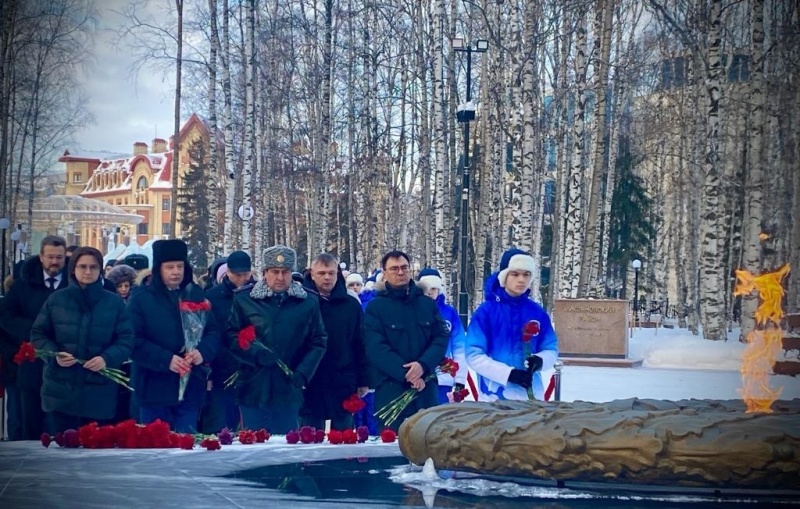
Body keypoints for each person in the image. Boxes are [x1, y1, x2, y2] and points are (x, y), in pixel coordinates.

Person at [30, 247, 135, 433]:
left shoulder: (113, 303)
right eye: (82, 267)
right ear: (73, 269)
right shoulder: (57, 300)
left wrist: (106, 358)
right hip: (60, 391)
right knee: (60, 452)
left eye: (93, 267)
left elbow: (126, 339)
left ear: (100, 270)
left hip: (99, 393)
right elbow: (38, 334)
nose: (88, 272)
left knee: (95, 455)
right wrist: (54, 356)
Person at [227, 245, 327, 434]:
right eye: (275, 272)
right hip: (254, 386)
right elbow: (232, 336)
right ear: (265, 273)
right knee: (253, 446)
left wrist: (303, 373)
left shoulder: (307, 302)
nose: (280, 278)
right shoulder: (244, 300)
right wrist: (256, 354)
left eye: (285, 272)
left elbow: (318, 341)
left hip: (288, 387)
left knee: (285, 446)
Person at [126, 239, 221, 432]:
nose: (176, 272)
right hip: (153, 388)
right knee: (155, 448)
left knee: (186, 446)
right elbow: (132, 340)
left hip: (190, 387)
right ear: (158, 269)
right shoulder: (141, 299)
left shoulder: (195, 294)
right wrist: (167, 360)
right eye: (170, 267)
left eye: (180, 266)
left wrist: (201, 352)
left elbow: (213, 331)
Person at [363, 250, 449, 431]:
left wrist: (423, 365)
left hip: (425, 388)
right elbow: (375, 347)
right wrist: (407, 374)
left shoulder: (426, 304)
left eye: (404, 267)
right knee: (391, 451)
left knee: (429, 445)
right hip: (391, 391)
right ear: (384, 273)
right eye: (394, 269)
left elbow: (440, 337)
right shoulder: (376, 307)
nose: (400, 272)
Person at [465, 248, 559, 401]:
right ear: (504, 276)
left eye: (526, 274)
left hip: (531, 395)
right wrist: (508, 374)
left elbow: (551, 349)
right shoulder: (486, 312)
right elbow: (473, 354)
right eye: (515, 274)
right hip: (494, 396)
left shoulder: (537, 313)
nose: (521, 280)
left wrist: (540, 360)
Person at [0, 235, 69, 440]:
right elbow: (5, 316)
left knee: (60, 425)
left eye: (59, 257)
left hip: (64, 365)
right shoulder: (24, 285)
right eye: (50, 257)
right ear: (41, 256)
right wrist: (33, 336)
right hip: (30, 365)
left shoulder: (72, 283)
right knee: (28, 424)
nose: (54, 262)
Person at [301, 253, 370, 431]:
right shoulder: (301, 302)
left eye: (331, 273)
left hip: (343, 378)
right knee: (309, 437)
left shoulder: (350, 304)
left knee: (344, 437)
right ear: (312, 274)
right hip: (310, 379)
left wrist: (364, 379)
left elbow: (360, 342)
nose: (327, 277)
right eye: (322, 273)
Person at [201, 250, 254, 433]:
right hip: (222, 371)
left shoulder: (259, 294)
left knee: (251, 428)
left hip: (252, 370)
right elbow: (209, 332)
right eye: (236, 275)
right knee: (223, 428)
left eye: (245, 275)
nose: (241, 279)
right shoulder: (212, 296)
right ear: (228, 273)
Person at [416, 268, 467, 404]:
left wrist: (460, 380)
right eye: (426, 289)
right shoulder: (412, 311)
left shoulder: (449, 313)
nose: (430, 292)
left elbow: (459, 347)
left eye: (433, 288)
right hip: (419, 379)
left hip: (445, 379)